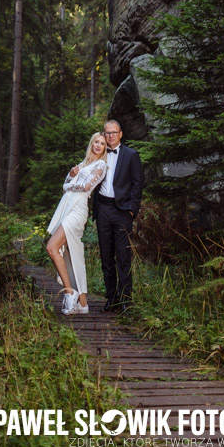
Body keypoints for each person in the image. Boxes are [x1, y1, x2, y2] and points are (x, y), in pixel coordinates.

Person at [46, 133, 108, 316]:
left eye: (102, 144)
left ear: (105, 148)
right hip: (67, 207)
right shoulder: (82, 165)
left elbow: (86, 187)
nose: (98, 145)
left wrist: (69, 185)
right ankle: (82, 303)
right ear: (92, 143)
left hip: (78, 209)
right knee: (73, 254)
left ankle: (70, 292)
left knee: (52, 247)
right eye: (96, 142)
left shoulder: (101, 165)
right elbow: (66, 183)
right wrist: (70, 176)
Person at [92, 119, 143, 313]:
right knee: (106, 257)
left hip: (122, 211)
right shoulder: (99, 153)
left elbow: (138, 184)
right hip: (103, 209)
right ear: (104, 135)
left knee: (123, 256)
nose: (110, 135)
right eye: (107, 133)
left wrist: (132, 209)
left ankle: (125, 300)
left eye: (114, 132)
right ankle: (111, 298)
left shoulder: (131, 155)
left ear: (120, 134)